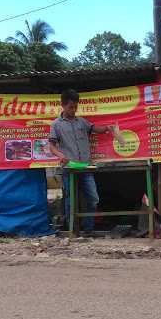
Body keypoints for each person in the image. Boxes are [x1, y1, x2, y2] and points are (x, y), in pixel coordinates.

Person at [49, 89, 113, 233]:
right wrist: (60, 156)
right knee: (70, 199)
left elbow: (95, 128)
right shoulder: (56, 125)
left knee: (93, 198)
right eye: (71, 107)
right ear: (63, 105)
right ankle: (71, 229)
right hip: (69, 168)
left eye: (75, 107)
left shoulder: (82, 122)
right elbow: (51, 147)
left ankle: (88, 228)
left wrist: (107, 128)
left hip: (85, 166)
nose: (73, 110)